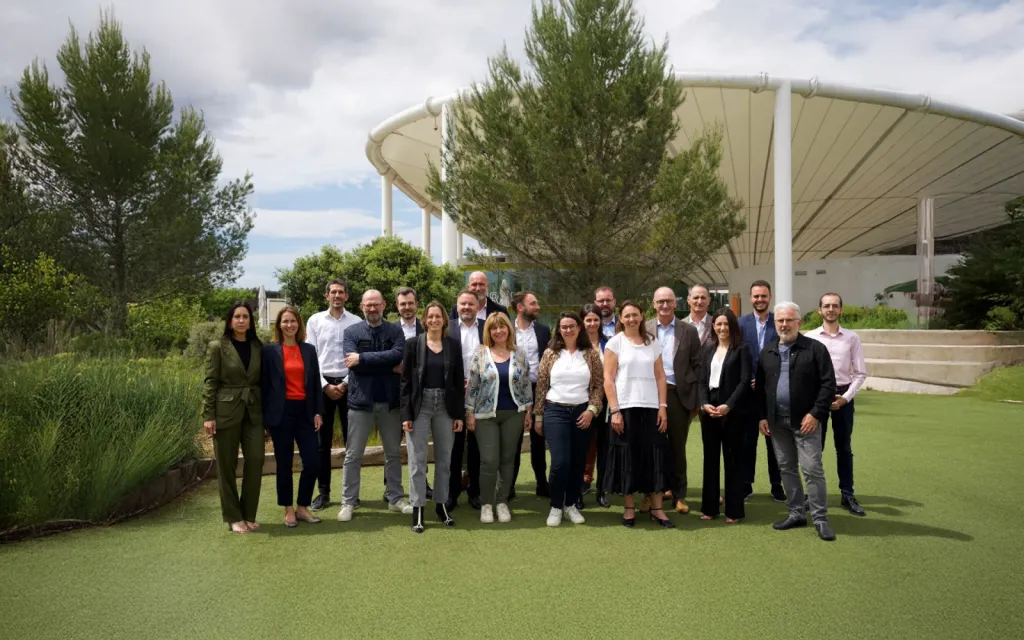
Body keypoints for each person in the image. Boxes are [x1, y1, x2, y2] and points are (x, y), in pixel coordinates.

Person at [756, 302, 838, 542]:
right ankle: (796, 513)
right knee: (786, 469)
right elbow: (760, 388)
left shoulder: (815, 349)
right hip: (777, 423)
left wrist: (815, 414)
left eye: (789, 320)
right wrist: (762, 416)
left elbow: (828, 385)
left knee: (812, 470)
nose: (784, 324)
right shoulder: (768, 352)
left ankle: (821, 519)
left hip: (806, 422)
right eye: (780, 320)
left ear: (798, 322)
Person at [337, 290, 408, 522]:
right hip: (360, 402)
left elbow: (398, 355)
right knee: (353, 454)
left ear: (384, 305)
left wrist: (364, 358)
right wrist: (387, 364)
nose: (372, 309)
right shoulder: (351, 332)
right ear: (361, 306)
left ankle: (395, 498)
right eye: (368, 305)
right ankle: (348, 501)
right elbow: (352, 363)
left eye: (376, 304)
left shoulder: (395, 330)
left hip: (390, 402)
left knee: (393, 453)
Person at [602, 301, 675, 529]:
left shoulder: (652, 342)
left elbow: (661, 377)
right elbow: (608, 380)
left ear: (642, 317)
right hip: (625, 408)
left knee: (654, 456)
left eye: (635, 315)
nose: (632, 319)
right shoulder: (615, 343)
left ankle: (657, 508)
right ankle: (629, 508)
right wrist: (615, 411)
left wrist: (662, 406)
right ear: (621, 319)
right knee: (627, 458)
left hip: (651, 407)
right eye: (627, 316)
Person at [400, 301, 465, 533]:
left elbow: (458, 382)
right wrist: (406, 414)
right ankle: (418, 508)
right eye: (430, 317)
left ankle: (441, 505)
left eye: (438, 317)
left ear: (444, 320)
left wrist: (458, 415)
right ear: (424, 320)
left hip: (445, 407)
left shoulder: (453, 345)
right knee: (417, 461)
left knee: (445, 460)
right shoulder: (412, 345)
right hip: (420, 405)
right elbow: (406, 382)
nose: (434, 320)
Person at [533, 312, 603, 526]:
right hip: (555, 411)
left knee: (577, 463)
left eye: (572, 326)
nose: (568, 330)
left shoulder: (590, 354)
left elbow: (598, 385)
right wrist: (538, 416)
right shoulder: (550, 353)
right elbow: (542, 385)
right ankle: (556, 505)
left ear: (579, 327)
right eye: (564, 327)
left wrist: (592, 410)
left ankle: (570, 504)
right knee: (560, 462)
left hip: (582, 412)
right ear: (558, 330)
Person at [202, 302, 264, 534]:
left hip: (254, 411)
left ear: (250, 321)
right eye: (237, 316)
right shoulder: (217, 347)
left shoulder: (258, 346)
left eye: (245, 316)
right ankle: (233, 516)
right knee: (227, 466)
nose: (241, 320)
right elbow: (210, 382)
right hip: (225, 411)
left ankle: (248, 514)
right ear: (230, 321)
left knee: (256, 459)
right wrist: (208, 415)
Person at [465, 313, 533, 524]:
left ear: (508, 330)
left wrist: (529, 411)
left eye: (502, 327)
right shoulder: (480, 353)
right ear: (489, 332)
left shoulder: (519, 353)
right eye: (494, 328)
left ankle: (502, 501)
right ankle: (486, 503)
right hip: (485, 415)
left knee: (508, 458)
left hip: (514, 413)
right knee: (489, 460)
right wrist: (469, 412)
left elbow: (526, 383)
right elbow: (473, 385)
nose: (499, 331)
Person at [261, 306, 324, 528]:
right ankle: (288, 509)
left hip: (305, 413)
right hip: (281, 414)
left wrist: (318, 411)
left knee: (313, 462)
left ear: (299, 324)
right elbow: (264, 386)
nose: (289, 325)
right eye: (285, 321)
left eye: (293, 321)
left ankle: (302, 506)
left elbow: (315, 383)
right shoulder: (269, 351)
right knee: (284, 464)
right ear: (279, 325)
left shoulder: (308, 350)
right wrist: (265, 419)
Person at [807, 293, 868, 517]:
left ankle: (847, 494)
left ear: (841, 310)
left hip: (843, 395)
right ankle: (812, 495)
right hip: (817, 396)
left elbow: (860, 373)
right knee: (814, 448)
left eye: (835, 306)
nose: (830, 309)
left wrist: (846, 398)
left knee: (843, 448)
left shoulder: (852, 338)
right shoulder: (811, 337)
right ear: (819, 310)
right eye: (826, 306)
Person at [305, 280, 362, 511]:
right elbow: (311, 356)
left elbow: (360, 355)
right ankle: (324, 493)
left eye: (341, 292)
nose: (337, 296)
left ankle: (352, 495)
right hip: (323, 386)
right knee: (322, 444)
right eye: (333, 292)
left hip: (350, 384)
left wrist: (345, 383)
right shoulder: (315, 321)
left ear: (347, 296)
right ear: (326, 295)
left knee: (352, 444)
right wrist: (325, 386)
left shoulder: (356, 321)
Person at [644, 287, 702, 515]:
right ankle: (651, 493)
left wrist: (695, 399)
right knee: (652, 447)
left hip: (678, 394)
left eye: (669, 301)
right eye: (660, 302)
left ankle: (679, 495)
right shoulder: (644, 328)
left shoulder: (688, 330)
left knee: (677, 446)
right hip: (650, 394)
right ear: (654, 304)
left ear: (676, 303)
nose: (665, 305)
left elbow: (697, 364)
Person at [697, 308, 752, 523]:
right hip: (709, 410)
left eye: (726, 324)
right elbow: (701, 381)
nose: (722, 328)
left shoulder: (742, 350)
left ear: (733, 327)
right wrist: (703, 404)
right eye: (718, 324)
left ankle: (734, 511)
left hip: (732, 411)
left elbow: (745, 381)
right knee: (710, 460)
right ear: (713, 327)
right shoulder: (708, 350)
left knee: (733, 461)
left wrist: (729, 405)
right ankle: (710, 508)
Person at [737, 280, 785, 503]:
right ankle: (746, 485)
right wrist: (748, 380)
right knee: (747, 442)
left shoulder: (781, 323)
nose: (760, 300)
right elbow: (736, 357)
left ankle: (777, 485)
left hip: (772, 394)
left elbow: (786, 356)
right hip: (747, 394)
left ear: (770, 297)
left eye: (764, 296)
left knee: (774, 442)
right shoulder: (740, 324)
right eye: (756, 296)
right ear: (750, 298)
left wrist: (767, 382)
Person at [511, 291, 552, 498]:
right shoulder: (506, 329)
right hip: (512, 391)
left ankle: (541, 482)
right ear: (520, 307)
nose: (537, 307)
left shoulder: (544, 331)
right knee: (513, 439)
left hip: (539, 390)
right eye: (533, 303)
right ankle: (509, 485)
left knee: (538, 437)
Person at [447, 290, 485, 510]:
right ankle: (451, 492)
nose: (466, 308)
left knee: (477, 445)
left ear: (478, 307)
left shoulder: (487, 327)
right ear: (457, 305)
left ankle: (475, 491)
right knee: (454, 446)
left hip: (482, 394)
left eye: (471, 304)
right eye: (463, 304)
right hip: (454, 394)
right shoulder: (447, 328)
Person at [393, 286, 431, 500]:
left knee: (420, 444)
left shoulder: (427, 329)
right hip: (393, 395)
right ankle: (392, 487)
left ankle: (422, 484)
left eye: (410, 303)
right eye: (403, 304)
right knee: (392, 445)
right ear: (397, 307)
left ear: (417, 305)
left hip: (420, 397)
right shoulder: (389, 330)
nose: (407, 307)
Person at [579, 303, 610, 508]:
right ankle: (580, 489)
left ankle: (602, 490)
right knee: (582, 448)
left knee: (605, 447)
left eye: (595, 319)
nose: (592, 323)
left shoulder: (610, 343)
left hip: (606, 403)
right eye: (588, 319)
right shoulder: (574, 344)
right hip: (581, 403)